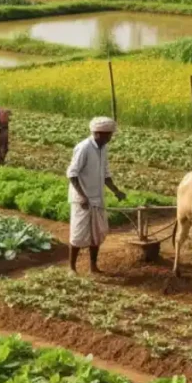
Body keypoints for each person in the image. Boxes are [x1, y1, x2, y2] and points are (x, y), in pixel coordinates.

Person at [66, 116, 126, 274]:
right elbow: (72, 174)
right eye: (108, 134)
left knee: (97, 234)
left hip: (97, 197)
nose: (110, 138)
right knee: (78, 234)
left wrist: (116, 191)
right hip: (82, 199)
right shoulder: (84, 148)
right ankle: (72, 268)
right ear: (98, 133)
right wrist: (82, 196)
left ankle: (93, 266)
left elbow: (105, 174)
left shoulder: (103, 148)